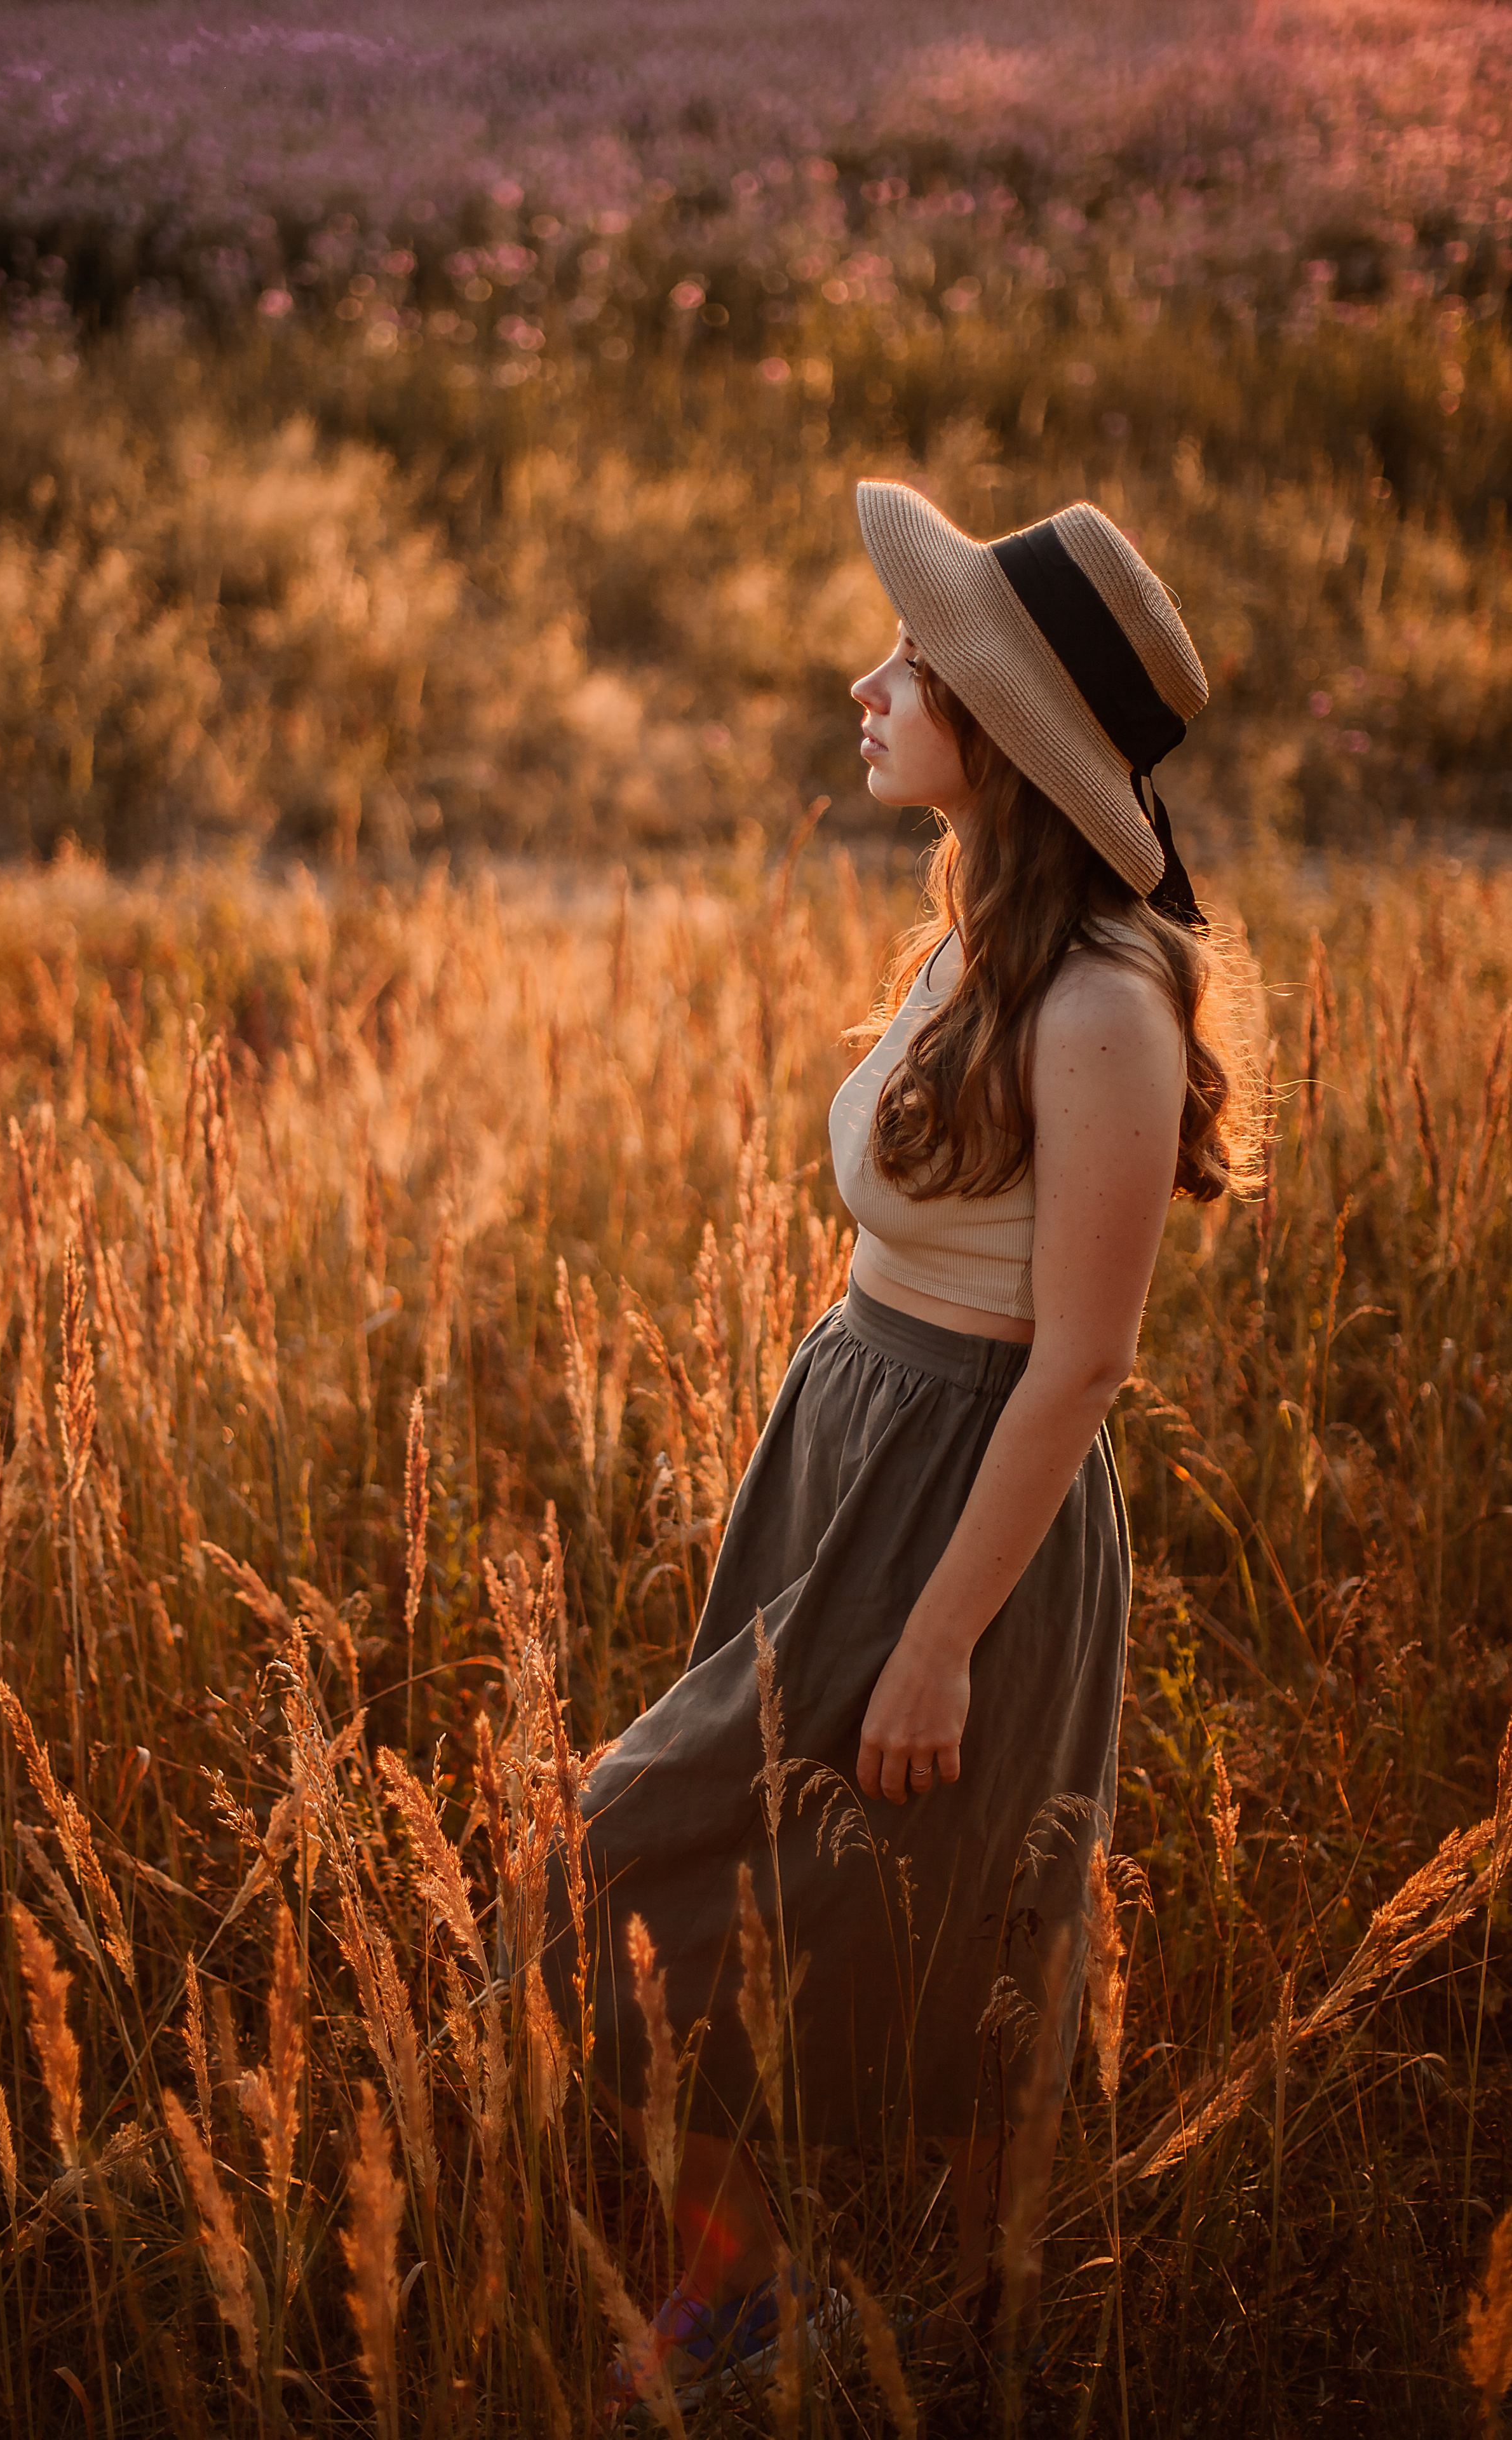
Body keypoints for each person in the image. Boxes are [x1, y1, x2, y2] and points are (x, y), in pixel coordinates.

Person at [543, 480, 1250, 2405]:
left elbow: (1085, 1362)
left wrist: (937, 1636)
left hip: (962, 1503)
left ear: (1000, 728)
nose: (868, 681)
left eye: (912, 665)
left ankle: (965, 2339)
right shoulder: (974, 946)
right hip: (850, 1455)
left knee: (739, 1875)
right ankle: (761, 2302)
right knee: (786, 1881)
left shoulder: (1105, 1003)